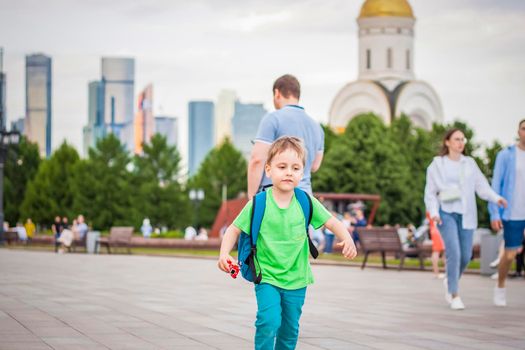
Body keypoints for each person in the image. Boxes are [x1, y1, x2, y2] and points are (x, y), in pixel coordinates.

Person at [218, 136, 357, 349]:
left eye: (295, 168)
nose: (289, 172)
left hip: (297, 279)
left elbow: (331, 221)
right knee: (268, 321)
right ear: (268, 169)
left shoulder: (305, 201)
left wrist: (347, 238)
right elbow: (234, 229)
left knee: (290, 329)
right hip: (266, 276)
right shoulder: (259, 203)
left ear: (302, 173)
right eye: (282, 166)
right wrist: (224, 253)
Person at [424, 128, 507, 310]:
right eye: (456, 139)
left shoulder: (469, 163)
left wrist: (496, 198)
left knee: (466, 256)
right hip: (445, 213)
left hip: (466, 214)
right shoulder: (437, 164)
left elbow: (482, 186)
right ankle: (454, 294)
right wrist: (434, 212)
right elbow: (430, 193)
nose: (461, 142)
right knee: (454, 252)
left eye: (463, 139)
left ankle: (450, 279)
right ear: (447, 142)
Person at [247, 74, 324, 199]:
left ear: (277, 93)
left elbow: (257, 160)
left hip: (274, 197)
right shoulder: (317, 127)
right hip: (305, 197)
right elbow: (315, 166)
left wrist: (251, 198)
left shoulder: (273, 119)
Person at [488, 119, 525, 306]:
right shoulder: (506, 155)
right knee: (510, 255)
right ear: (518, 131)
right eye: (524, 129)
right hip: (512, 213)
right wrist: (494, 213)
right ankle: (501, 286)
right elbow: (495, 185)